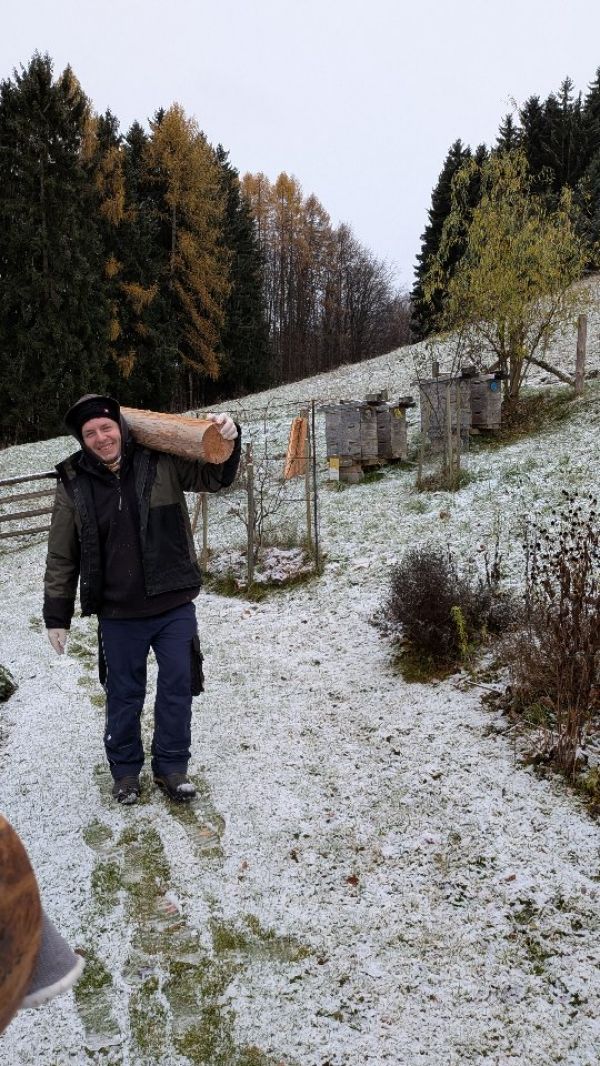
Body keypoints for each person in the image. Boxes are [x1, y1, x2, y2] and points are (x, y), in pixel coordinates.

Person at [43, 394, 240, 805]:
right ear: (83, 440)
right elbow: (62, 554)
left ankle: (171, 767)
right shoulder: (73, 482)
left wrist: (229, 439)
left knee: (177, 687)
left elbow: (215, 477)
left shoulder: (158, 459)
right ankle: (126, 773)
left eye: (106, 427)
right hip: (118, 613)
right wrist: (56, 615)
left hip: (173, 604)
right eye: (90, 433)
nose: (101, 438)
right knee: (123, 694)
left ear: (121, 426)